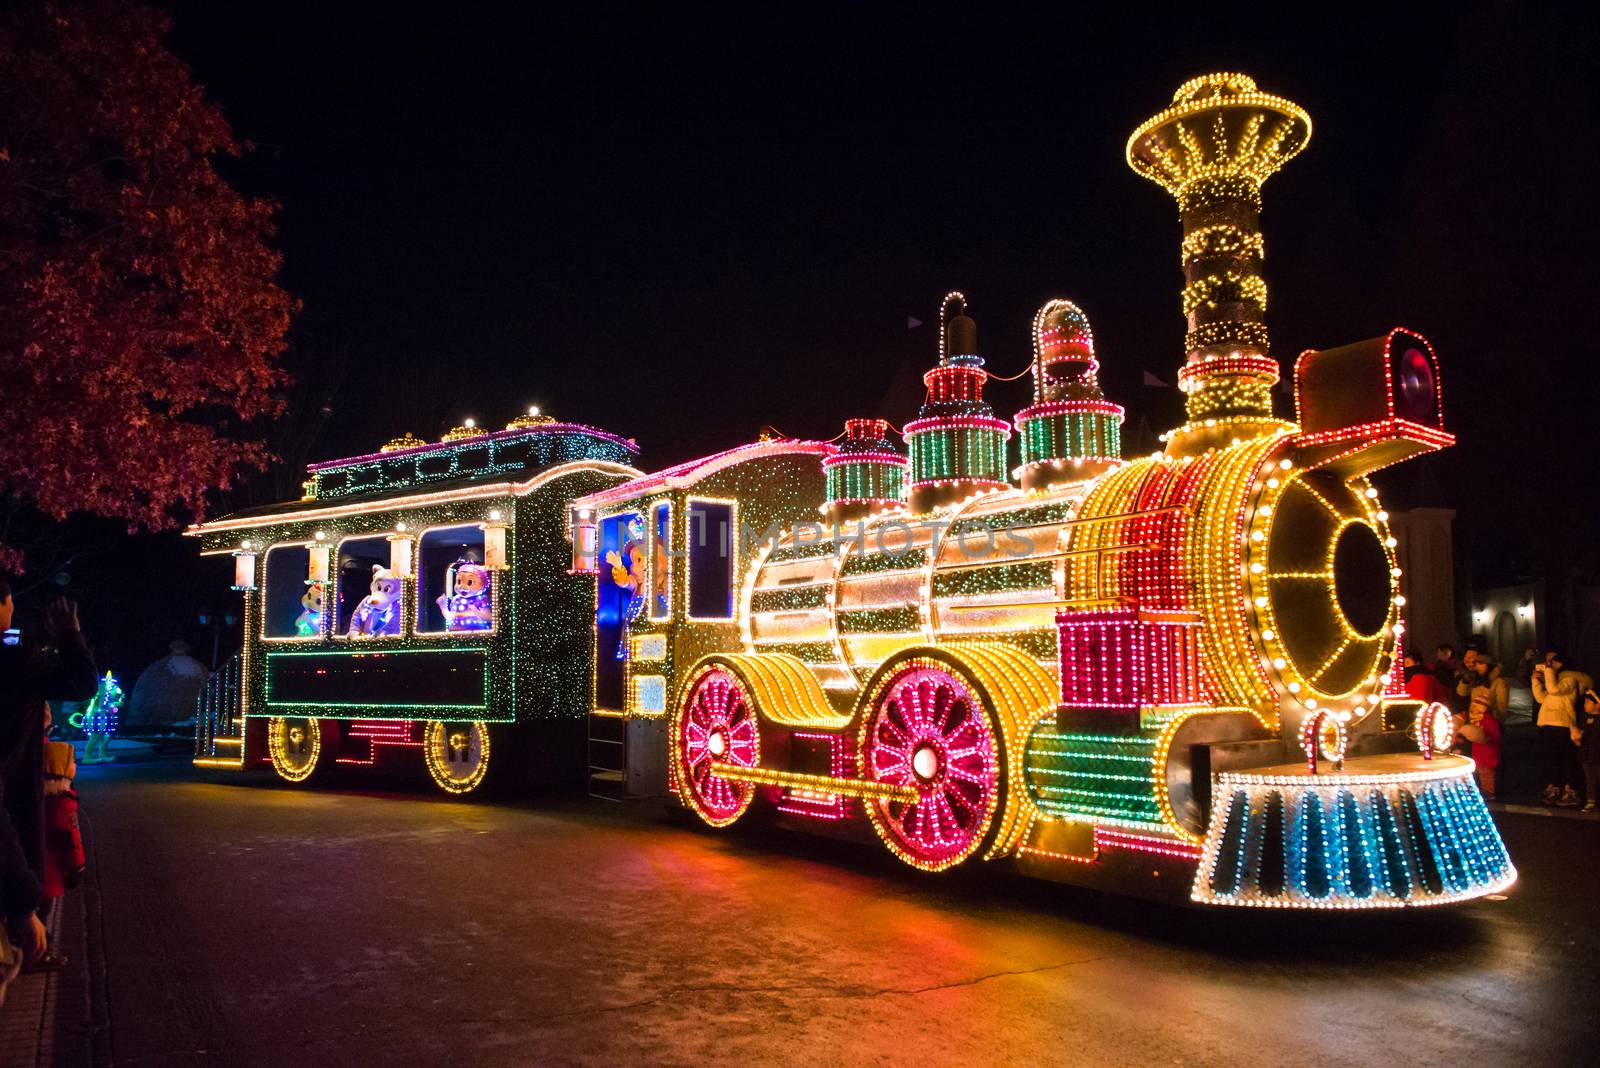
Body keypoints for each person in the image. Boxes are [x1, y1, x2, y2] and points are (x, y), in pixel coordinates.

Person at [0, 580, 97, 969]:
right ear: (4, 603)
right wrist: (70, 636)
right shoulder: (14, 662)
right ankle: (26, 940)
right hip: (11, 794)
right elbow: (81, 684)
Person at [1533, 648, 1583, 807]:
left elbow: (1554, 689)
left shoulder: (1569, 680)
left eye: (1552, 661)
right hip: (1547, 724)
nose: (1549, 664)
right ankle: (1554, 786)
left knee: (1566, 759)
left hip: (1562, 724)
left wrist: (1548, 671)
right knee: (1551, 759)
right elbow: (1541, 698)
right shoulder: (1553, 678)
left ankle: (1570, 789)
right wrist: (1535, 681)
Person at [1456, 672, 1504, 798]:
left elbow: (1494, 737)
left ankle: (1489, 791)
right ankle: (1483, 789)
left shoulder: (1489, 721)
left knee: (1487, 774)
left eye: (1475, 708)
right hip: (1480, 754)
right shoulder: (1477, 721)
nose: (1472, 710)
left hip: (1488, 755)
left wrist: (1485, 738)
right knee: (1481, 773)